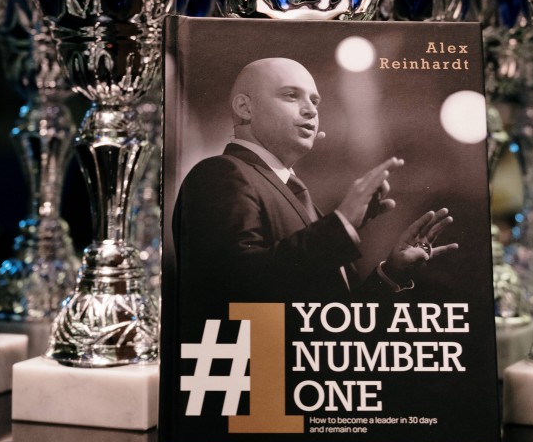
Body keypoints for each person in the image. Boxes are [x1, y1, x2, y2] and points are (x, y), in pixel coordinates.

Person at [173, 56, 457, 316]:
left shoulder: (295, 196)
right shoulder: (220, 173)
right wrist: (342, 223)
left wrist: (392, 273)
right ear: (245, 108)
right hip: (262, 357)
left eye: (315, 101)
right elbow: (238, 288)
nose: (310, 110)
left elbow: (333, 319)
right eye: (291, 95)